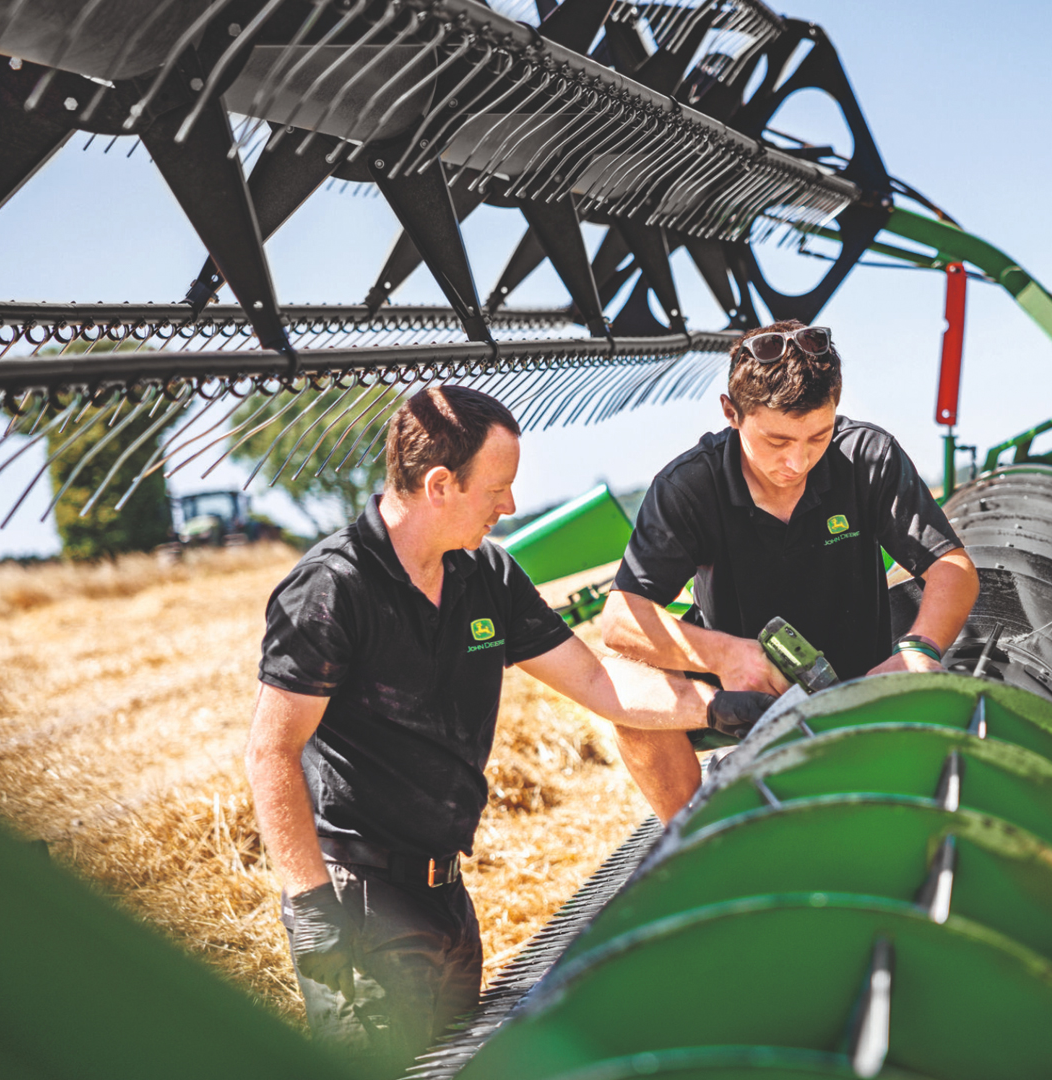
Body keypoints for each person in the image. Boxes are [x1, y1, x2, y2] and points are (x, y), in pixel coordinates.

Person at [246, 385, 768, 1075]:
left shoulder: (483, 573)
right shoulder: (334, 589)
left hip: (447, 896)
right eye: (499, 487)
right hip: (361, 904)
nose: (510, 506)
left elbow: (597, 681)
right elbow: (271, 751)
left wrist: (715, 707)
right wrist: (311, 909)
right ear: (440, 485)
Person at [597, 320, 980, 822]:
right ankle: (696, 840)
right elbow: (620, 620)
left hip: (859, 680)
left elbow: (952, 567)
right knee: (632, 698)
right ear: (731, 413)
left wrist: (918, 648)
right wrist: (729, 656)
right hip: (745, 696)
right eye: (776, 441)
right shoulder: (690, 485)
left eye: (817, 437)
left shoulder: (866, 456)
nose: (797, 462)